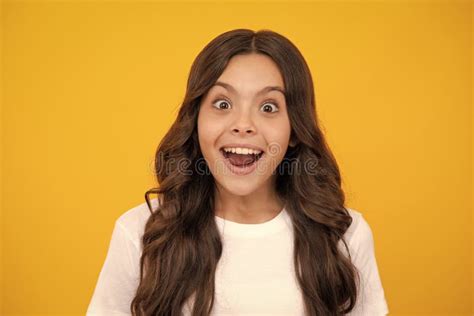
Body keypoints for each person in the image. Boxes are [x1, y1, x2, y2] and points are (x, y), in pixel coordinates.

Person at [86, 28, 389, 316]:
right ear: (195, 120)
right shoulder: (141, 233)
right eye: (222, 103)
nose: (243, 124)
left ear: (295, 130)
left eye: (269, 107)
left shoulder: (345, 237)